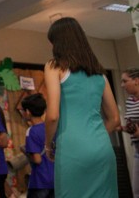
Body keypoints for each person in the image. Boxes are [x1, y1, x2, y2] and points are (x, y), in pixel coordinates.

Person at [44, 17, 120, 198]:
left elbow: (53, 115)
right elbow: (115, 119)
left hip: (72, 149)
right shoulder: (99, 72)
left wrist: (48, 145)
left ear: (58, 42)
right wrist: (94, 137)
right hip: (102, 148)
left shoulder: (54, 67)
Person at [21, 93, 54, 198]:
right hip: (55, 180)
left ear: (28, 112)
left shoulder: (31, 131)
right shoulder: (51, 129)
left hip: (39, 181)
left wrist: (25, 151)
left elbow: (37, 159)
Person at [120, 68, 139, 197]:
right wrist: (121, 128)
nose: (122, 85)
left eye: (125, 81)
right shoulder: (129, 102)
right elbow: (131, 127)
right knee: (136, 191)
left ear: (136, 81)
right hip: (137, 149)